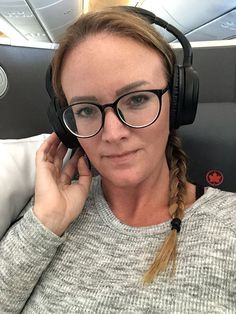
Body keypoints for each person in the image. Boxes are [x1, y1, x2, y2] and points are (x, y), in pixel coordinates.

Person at [0, 6, 236, 314]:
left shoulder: (229, 226)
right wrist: (46, 222)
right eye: (85, 109)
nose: (112, 133)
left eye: (137, 99)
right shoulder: (49, 213)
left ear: (177, 102)